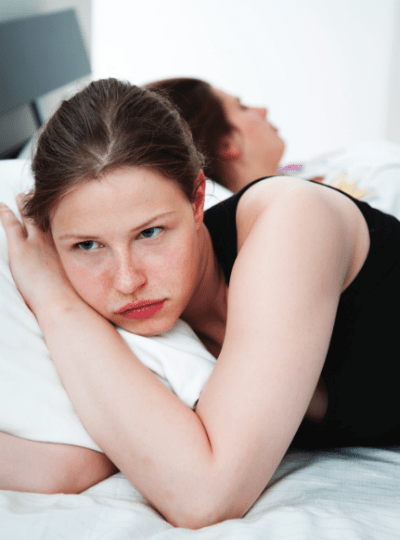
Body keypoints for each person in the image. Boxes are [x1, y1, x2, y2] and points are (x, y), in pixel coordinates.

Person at [1, 78, 400, 529]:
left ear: (195, 201)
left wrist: (55, 302)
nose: (128, 280)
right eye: (88, 245)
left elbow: (204, 497)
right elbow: (79, 463)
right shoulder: (132, 331)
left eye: (150, 233)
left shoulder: (290, 221)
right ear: (52, 241)